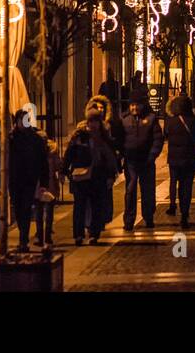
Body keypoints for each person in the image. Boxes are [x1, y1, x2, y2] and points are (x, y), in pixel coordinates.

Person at [62, 99, 121, 245]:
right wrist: (64, 171)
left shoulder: (104, 138)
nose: (94, 124)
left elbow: (110, 157)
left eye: (96, 121)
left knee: (96, 206)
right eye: (91, 121)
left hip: (98, 176)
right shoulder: (79, 136)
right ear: (87, 122)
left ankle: (94, 233)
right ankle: (78, 235)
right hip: (81, 177)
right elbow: (69, 154)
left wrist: (111, 175)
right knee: (79, 207)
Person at [120, 91, 165, 229]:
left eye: (137, 105)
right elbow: (119, 139)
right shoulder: (124, 119)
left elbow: (157, 139)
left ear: (142, 105)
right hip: (131, 161)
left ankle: (148, 217)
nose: (134, 108)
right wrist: (122, 156)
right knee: (130, 190)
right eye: (132, 105)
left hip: (147, 161)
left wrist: (152, 156)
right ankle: (129, 220)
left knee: (148, 191)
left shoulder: (151, 119)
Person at [7, 109, 48, 249]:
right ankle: (22, 235)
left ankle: (23, 240)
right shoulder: (11, 139)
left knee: (25, 209)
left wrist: (43, 182)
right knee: (18, 210)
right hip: (15, 180)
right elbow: (4, 161)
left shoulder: (36, 139)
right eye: (20, 120)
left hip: (29, 180)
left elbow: (43, 162)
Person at [165, 95, 195, 228]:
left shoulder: (171, 121)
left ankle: (172, 204)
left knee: (173, 181)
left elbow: (167, 135)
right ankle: (184, 214)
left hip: (174, 159)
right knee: (186, 187)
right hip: (189, 158)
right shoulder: (193, 121)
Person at [35, 131, 63, 247]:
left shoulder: (42, 151)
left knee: (44, 212)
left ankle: (44, 236)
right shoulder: (48, 151)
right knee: (42, 212)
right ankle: (43, 236)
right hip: (44, 185)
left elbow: (58, 165)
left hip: (44, 185)